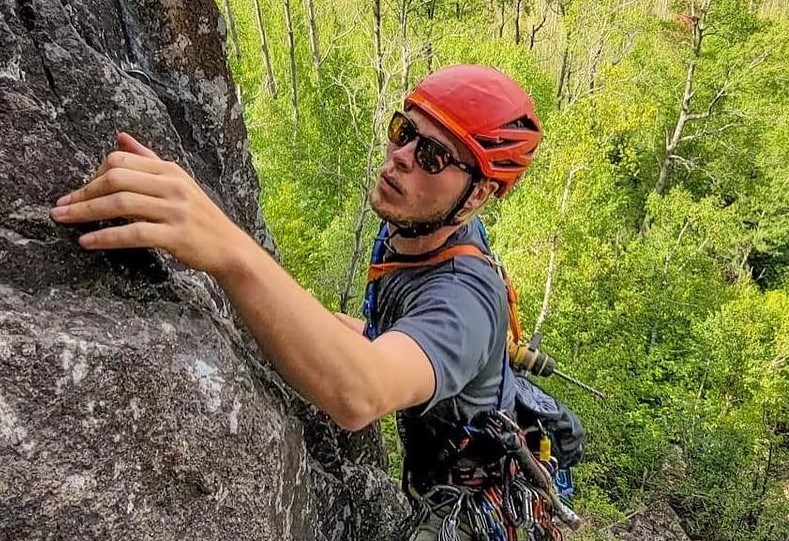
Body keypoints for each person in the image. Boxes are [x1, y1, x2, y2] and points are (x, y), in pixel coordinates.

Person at [50, 64, 543, 540]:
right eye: (403, 130)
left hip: (475, 504)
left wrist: (229, 250)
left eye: (433, 156)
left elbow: (360, 394)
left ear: (477, 196)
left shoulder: (466, 298)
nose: (401, 156)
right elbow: (387, 340)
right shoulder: (422, 222)